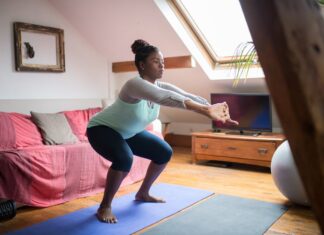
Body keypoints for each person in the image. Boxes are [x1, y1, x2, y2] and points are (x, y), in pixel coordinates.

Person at [86, 39, 238, 223]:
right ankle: (104, 206)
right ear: (142, 65)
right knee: (124, 158)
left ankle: (143, 193)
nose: (162, 66)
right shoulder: (134, 84)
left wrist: (213, 108)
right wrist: (206, 111)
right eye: (156, 61)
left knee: (163, 152)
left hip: (127, 132)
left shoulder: (160, 86)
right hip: (101, 129)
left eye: (163, 62)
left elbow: (186, 96)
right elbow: (165, 98)